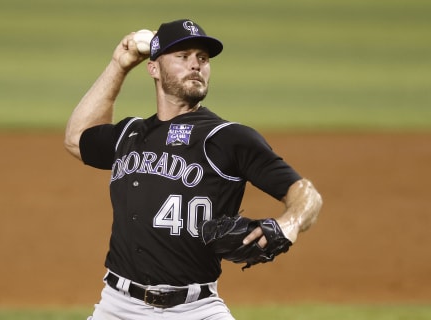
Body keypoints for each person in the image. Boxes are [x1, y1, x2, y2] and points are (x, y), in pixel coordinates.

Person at [64, 19, 322, 320]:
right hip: (117, 307)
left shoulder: (229, 138)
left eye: (202, 58)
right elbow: (75, 139)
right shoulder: (130, 134)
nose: (196, 65)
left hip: (196, 309)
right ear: (154, 69)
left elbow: (306, 195)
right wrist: (118, 66)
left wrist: (288, 224)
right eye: (183, 57)